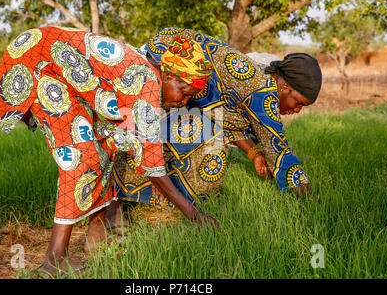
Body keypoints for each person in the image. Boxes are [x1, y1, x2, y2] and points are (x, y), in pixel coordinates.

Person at [0, 26, 217, 276]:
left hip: (50, 63)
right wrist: (193, 214)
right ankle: (54, 259)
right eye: (184, 93)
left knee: (104, 145)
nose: (183, 102)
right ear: (170, 76)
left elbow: (120, 133)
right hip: (38, 63)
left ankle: (97, 236)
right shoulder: (148, 86)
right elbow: (153, 165)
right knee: (80, 158)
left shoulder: (149, 73)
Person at [110, 27, 322, 220]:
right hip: (165, 56)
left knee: (169, 134)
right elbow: (279, 150)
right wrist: (311, 200)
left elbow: (224, 117)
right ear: (284, 86)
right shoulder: (263, 94)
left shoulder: (257, 79)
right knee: (142, 133)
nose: (296, 110)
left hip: (168, 50)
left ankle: (134, 196)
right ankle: (116, 201)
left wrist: (253, 153)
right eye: (298, 102)